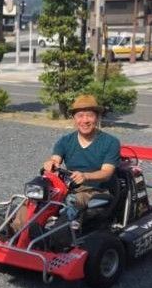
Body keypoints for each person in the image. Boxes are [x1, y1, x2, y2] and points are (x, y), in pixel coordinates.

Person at [42, 95, 121, 223]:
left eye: (89, 115)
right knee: (37, 194)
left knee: (71, 201)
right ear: (74, 118)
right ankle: (16, 230)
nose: (85, 120)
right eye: (80, 116)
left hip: (96, 190)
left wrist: (86, 176)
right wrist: (50, 163)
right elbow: (55, 160)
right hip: (69, 187)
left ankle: (58, 234)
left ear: (97, 117)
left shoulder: (111, 142)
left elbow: (106, 173)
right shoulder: (65, 141)